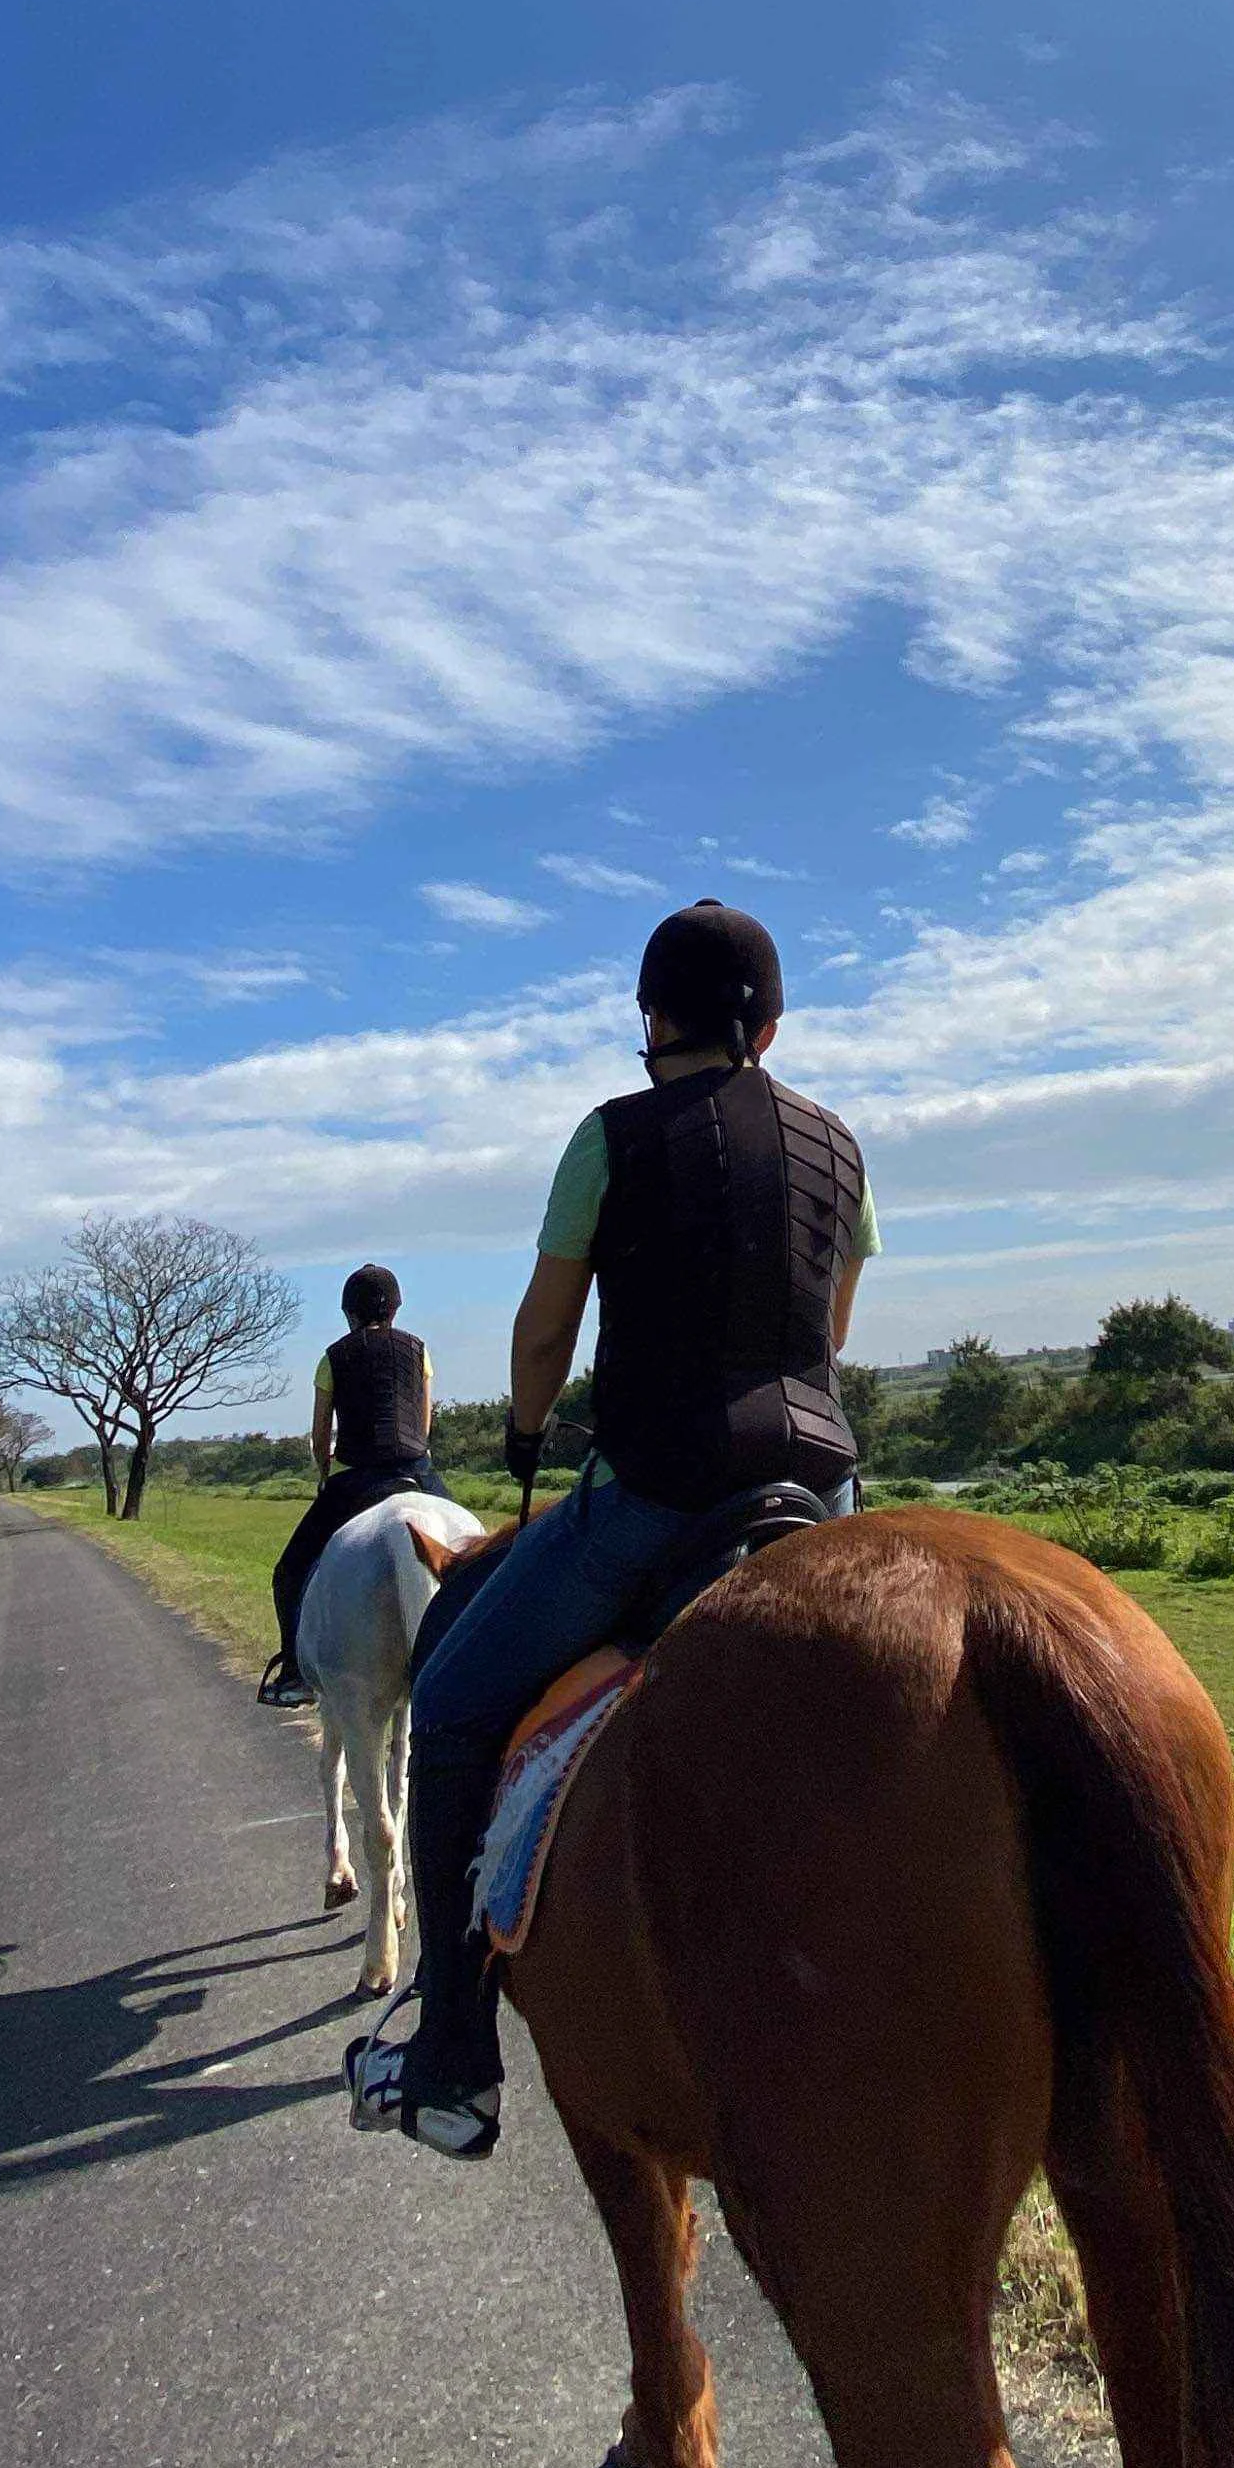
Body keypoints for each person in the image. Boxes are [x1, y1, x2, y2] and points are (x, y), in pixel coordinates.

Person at [346, 898, 880, 2158]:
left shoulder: (609, 1136)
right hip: (823, 1494)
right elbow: (838, 1326)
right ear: (774, 1019)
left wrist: (529, 1439)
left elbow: (545, 1329)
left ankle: (451, 2059)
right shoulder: (840, 1145)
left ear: (652, 1018)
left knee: (459, 1702)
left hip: (658, 1494)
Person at [259, 1264, 455, 1708]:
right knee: (472, 1559)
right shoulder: (418, 1351)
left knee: (289, 1572)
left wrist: (325, 1473)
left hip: (354, 1477)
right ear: (396, 1308)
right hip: (415, 1469)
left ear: (348, 1312)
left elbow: (319, 1434)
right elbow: (423, 1424)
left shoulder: (332, 1357)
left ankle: (295, 1675)